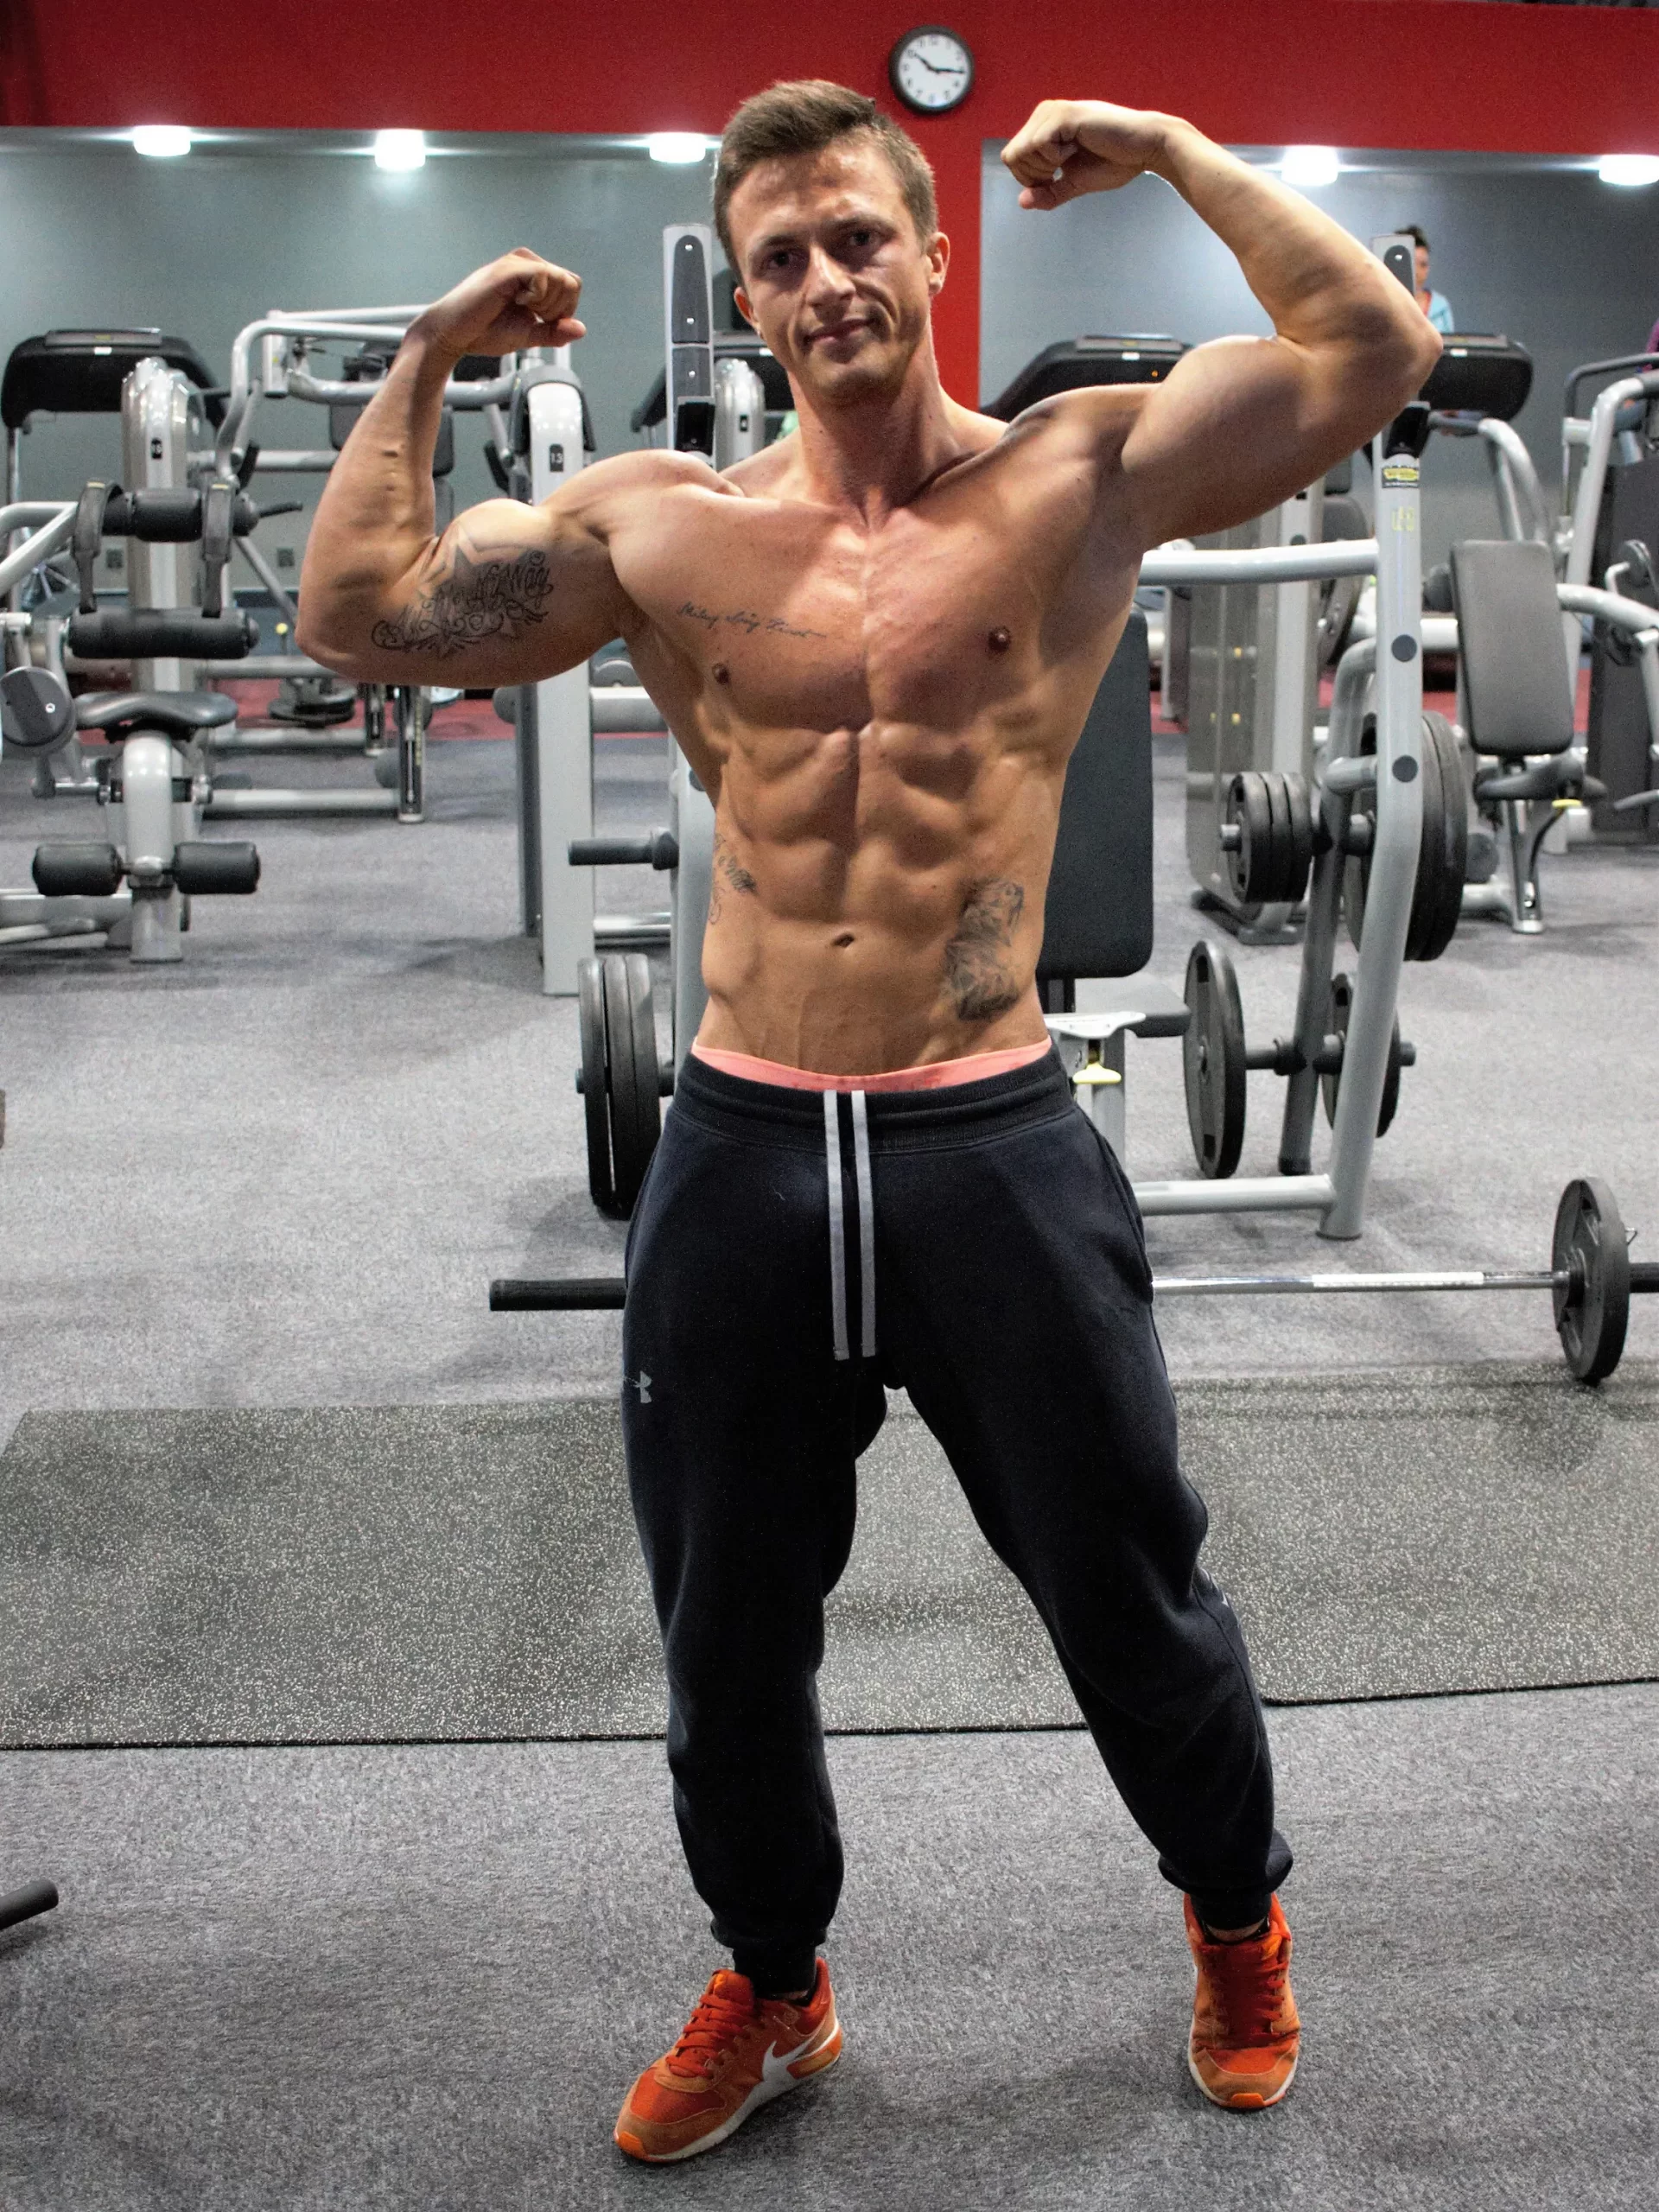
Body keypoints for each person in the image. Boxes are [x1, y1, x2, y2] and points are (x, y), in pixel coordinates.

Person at [299, 82, 1438, 2162]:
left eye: (854, 238)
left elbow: (1377, 351)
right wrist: (434, 348)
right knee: (725, 1633)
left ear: (931, 252)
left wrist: (1175, 150)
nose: (824, 280)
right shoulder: (660, 525)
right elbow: (355, 612)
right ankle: (774, 1974)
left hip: (986, 1136)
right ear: (745, 301)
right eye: (781, 257)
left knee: (1126, 1588)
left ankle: (1236, 1913)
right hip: (740, 1146)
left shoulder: (1082, 474)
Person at [1405, 223, 1454, 334]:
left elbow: (1449, 343)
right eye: (1412, 264)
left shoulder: (1441, 306)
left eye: (1423, 265)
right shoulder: (1388, 302)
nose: (1417, 272)